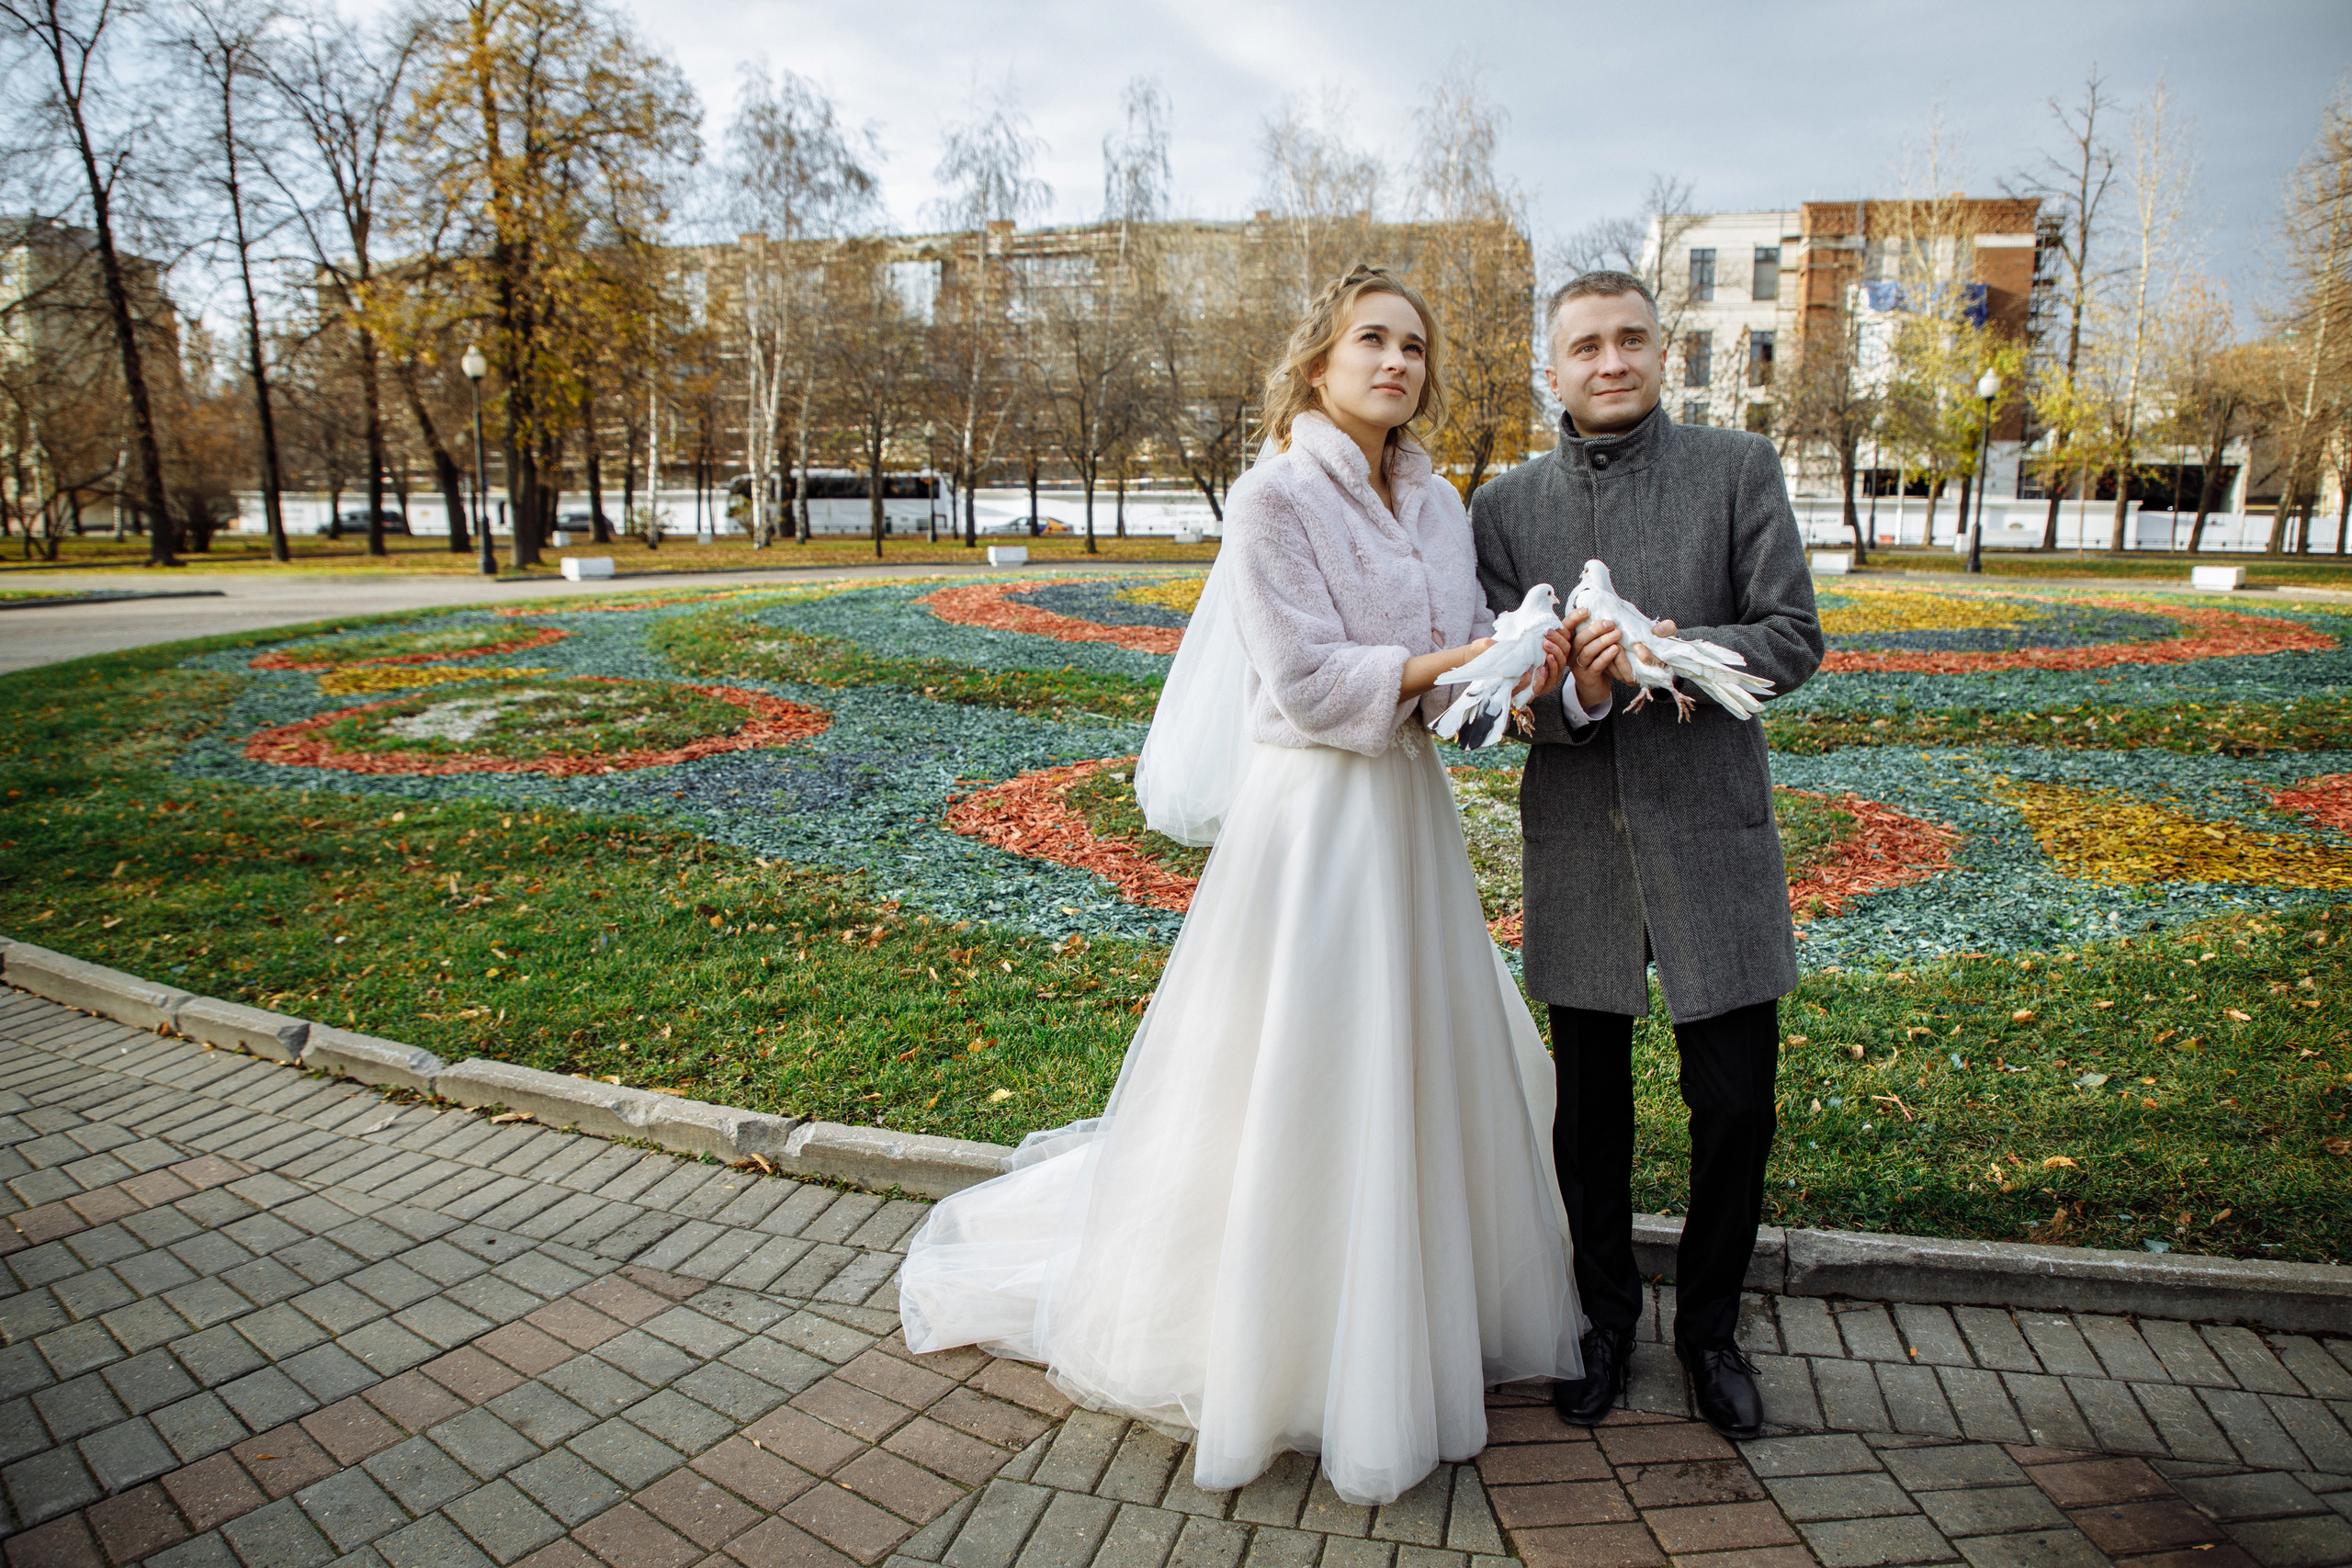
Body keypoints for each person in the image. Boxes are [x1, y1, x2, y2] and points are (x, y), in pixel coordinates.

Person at [898, 266, 1584, 1506]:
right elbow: (1313, 684)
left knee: (1409, 1061)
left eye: (1415, 347)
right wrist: (1457, 656)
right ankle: (1271, 1342)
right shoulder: (1273, 498)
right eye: (1371, 338)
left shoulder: (1439, 505)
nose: (1396, 362)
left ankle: (1400, 1318)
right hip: (1312, 821)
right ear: (1317, 360)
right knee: (1298, 1065)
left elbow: (1448, 685)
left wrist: (1526, 664)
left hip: (1408, 821)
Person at [1467, 270, 1824, 1441]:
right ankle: (1603, 1323)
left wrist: (1667, 657)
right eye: (1585, 346)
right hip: (1579, 843)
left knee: (1734, 1108)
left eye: (1630, 341)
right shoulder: (1506, 506)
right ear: (1552, 369)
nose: (1609, 362)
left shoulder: (1736, 471)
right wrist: (1571, 687)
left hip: (1712, 839)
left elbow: (1790, 639)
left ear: (1662, 354)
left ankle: (1711, 1333)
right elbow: (1496, 691)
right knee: (1590, 1121)